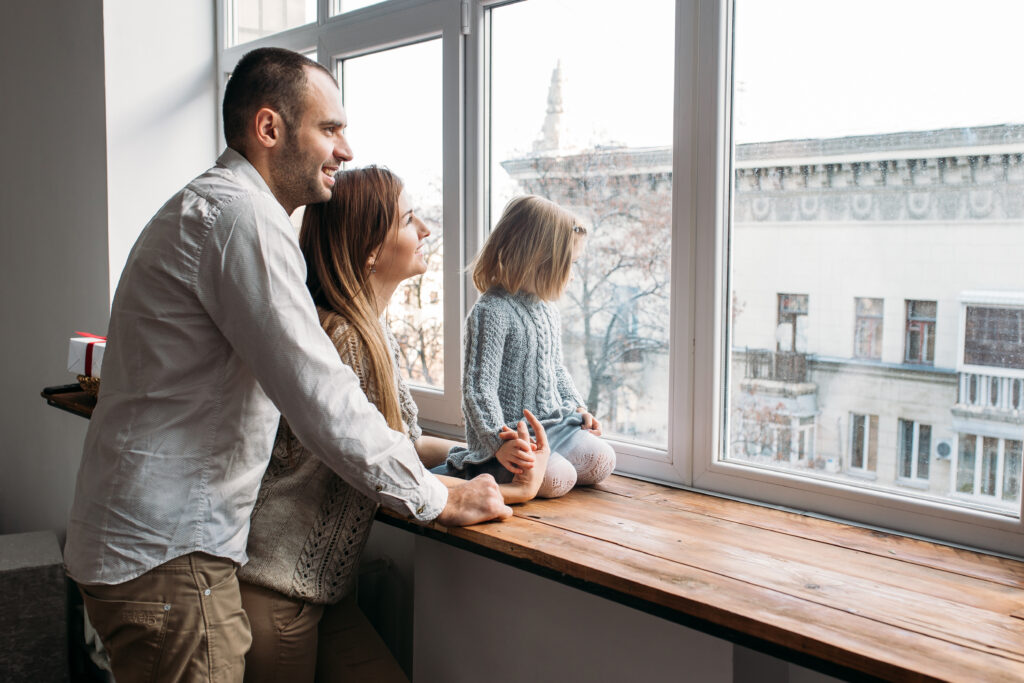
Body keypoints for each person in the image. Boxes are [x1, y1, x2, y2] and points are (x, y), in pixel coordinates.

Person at [63, 47, 517, 683]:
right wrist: (436, 499)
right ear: (270, 129)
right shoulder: (241, 218)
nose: (345, 149)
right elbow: (319, 394)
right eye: (329, 129)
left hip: (148, 547)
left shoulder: (212, 209)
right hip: (172, 557)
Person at [237, 166, 549, 682]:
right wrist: (513, 491)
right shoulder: (343, 339)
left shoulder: (369, 328)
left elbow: (398, 443)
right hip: (277, 592)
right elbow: (377, 472)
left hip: (322, 590)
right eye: (408, 219)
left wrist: (491, 451)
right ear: (370, 252)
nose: (425, 229)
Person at [442, 195, 616, 498]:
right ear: (539, 260)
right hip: (515, 434)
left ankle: (554, 454)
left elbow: (555, 367)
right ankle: (486, 467)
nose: (572, 274)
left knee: (601, 460)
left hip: (555, 423)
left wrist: (578, 406)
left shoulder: (546, 309)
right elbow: (478, 389)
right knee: (557, 479)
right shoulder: (492, 311)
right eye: (569, 264)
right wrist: (499, 441)